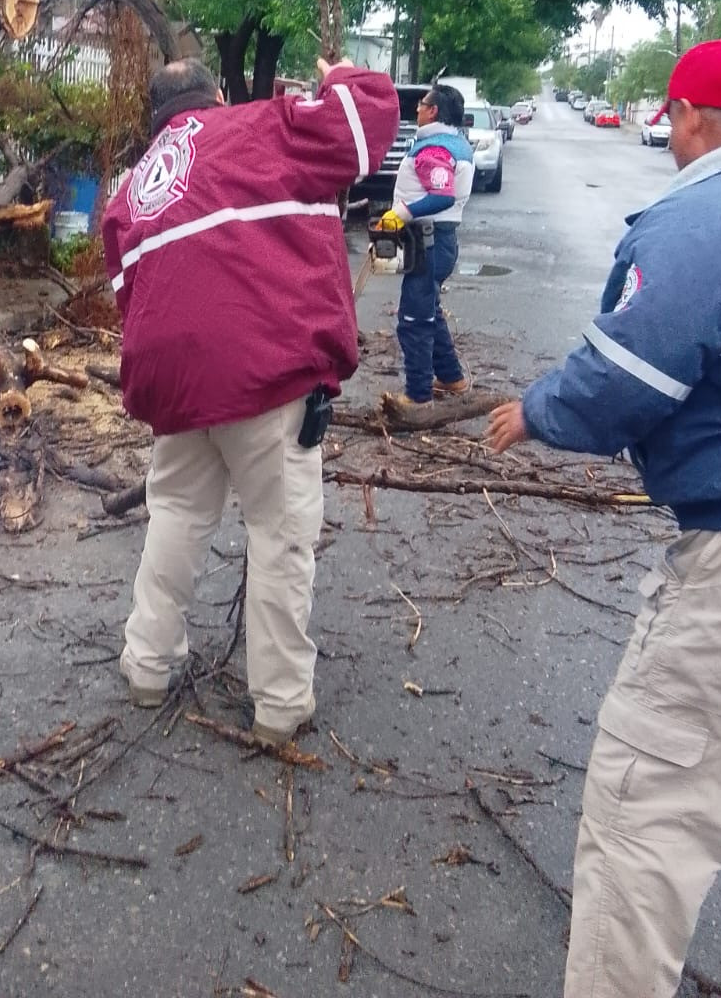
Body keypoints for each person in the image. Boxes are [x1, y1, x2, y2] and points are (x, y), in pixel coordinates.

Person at [485, 37, 721, 998]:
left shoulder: (704, 215)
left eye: (670, 122)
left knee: (651, 803)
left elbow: (625, 379)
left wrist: (538, 410)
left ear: (689, 117)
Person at [102, 55, 398, 742]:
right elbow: (365, 123)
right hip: (262, 369)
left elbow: (131, 299)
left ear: (155, 119)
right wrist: (345, 75)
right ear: (216, 97)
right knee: (280, 533)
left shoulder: (132, 190)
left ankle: (146, 663)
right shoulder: (262, 126)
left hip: (171, 379)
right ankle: (281, 704)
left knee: (174, 511)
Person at [383, 82, 475, 422]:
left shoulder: (434, 149)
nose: (417, 109)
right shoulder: (454, 143)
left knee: (414, 319)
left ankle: (418, 396)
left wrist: (400, 213)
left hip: (429, 240)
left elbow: (442, 196)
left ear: (433, 111)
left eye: (422, 104)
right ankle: (451, 378)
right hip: (440, 239)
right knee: (430, 311)